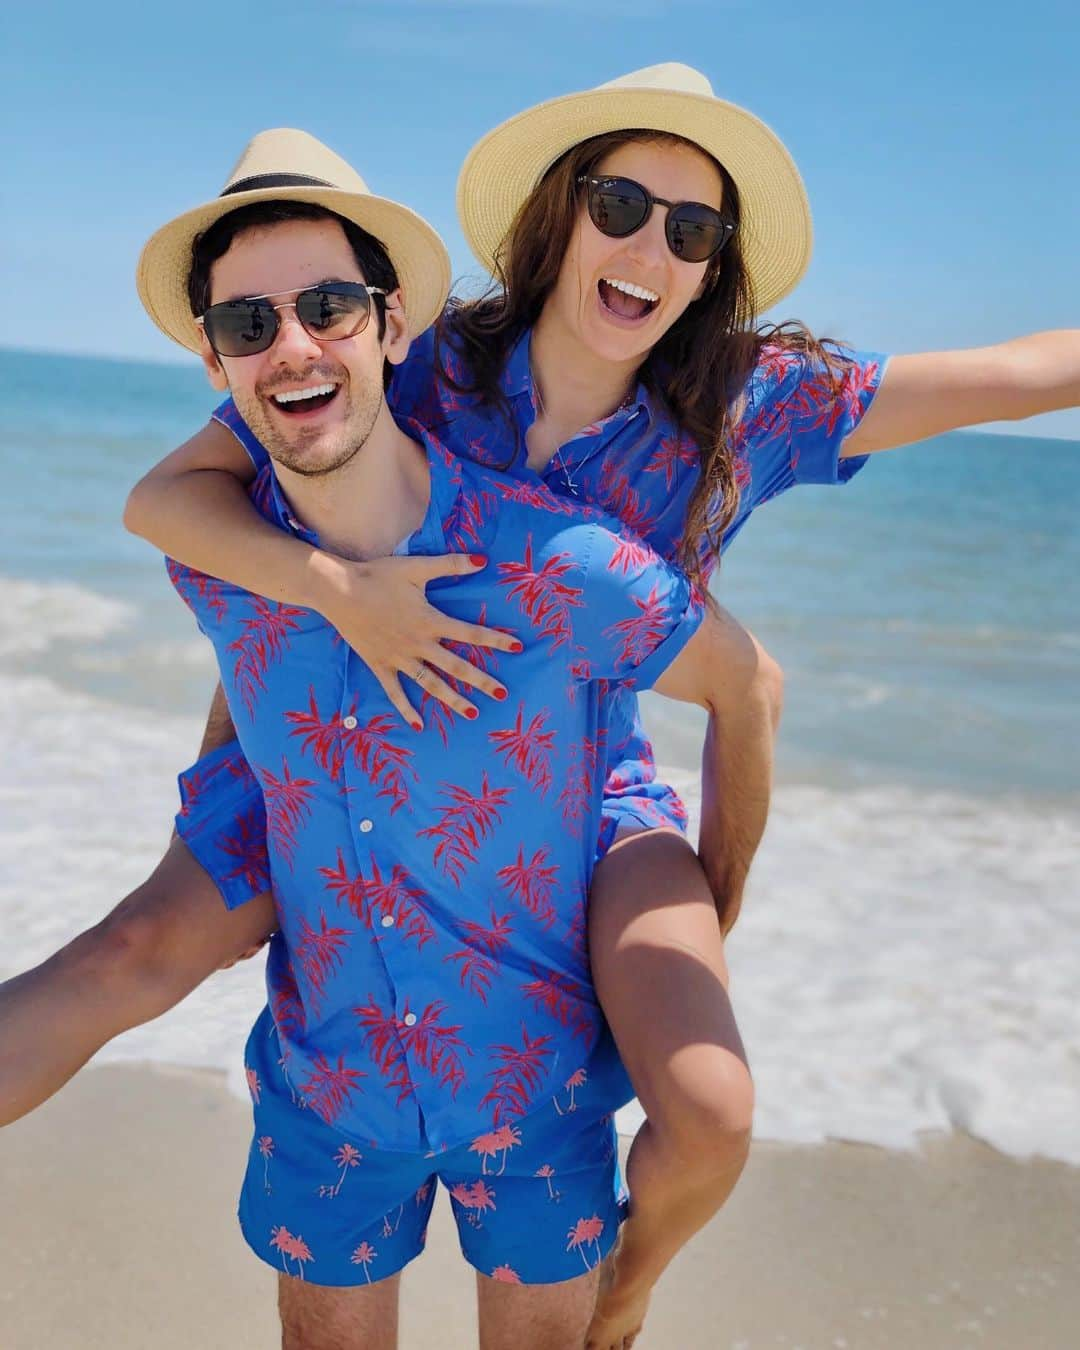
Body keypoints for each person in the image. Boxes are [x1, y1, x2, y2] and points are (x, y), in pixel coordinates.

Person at [6, 61, 1079, 1350]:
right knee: (131, 957)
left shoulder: (746, 401)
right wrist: (337, 594)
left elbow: (1015, 376)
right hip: (318, 733)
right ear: (560, 210)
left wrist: (716, 890)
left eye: (692, 231)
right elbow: (189, 502)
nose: (649, 247)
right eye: (620, 204)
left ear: (714, 263)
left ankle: (622, 1296)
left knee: (709, 1107)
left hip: (582, 782)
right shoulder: (421, 354)